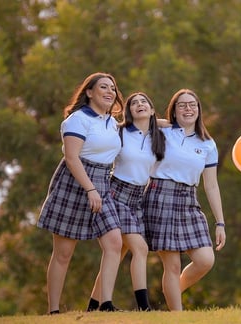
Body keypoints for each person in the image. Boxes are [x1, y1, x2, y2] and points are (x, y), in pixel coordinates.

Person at [37, 72, 124, 314]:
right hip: (76, 182)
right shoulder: (78, 119)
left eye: (113, 88)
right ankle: (53, 311)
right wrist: (90, 189)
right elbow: (71, 158)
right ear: (89, 92)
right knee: (64, 253)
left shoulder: (112, 122)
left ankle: (105, 304)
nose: (110, 92)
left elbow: (146, 123)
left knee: (115, 242)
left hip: (103, 182)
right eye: (103, 87)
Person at [142, 89, 226, 311]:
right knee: (172, 263)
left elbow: (211, 185)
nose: (188, 109)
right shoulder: (163, 132)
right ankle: (177, 316)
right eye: (182, 105)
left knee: (205, 260)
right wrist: (168, 124)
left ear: (199, 110)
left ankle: (172, 293)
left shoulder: (208, 144)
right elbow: (140, 118)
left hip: (189, 200)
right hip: (160, 196)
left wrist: (220, 222)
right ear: (174, 110)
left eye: (192, 105)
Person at [86, 92, 165, 312]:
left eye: (144, 102)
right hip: (115, 193)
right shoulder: (119, 131)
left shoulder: (158, 136)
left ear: (151, 109)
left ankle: (93, 307)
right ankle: (143, 307)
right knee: (140, 248)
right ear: (128, 111)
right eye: (134, 103)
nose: (139, 105)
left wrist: (154, 121)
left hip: (137, 198)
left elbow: (173, 124)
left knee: (117, 255)